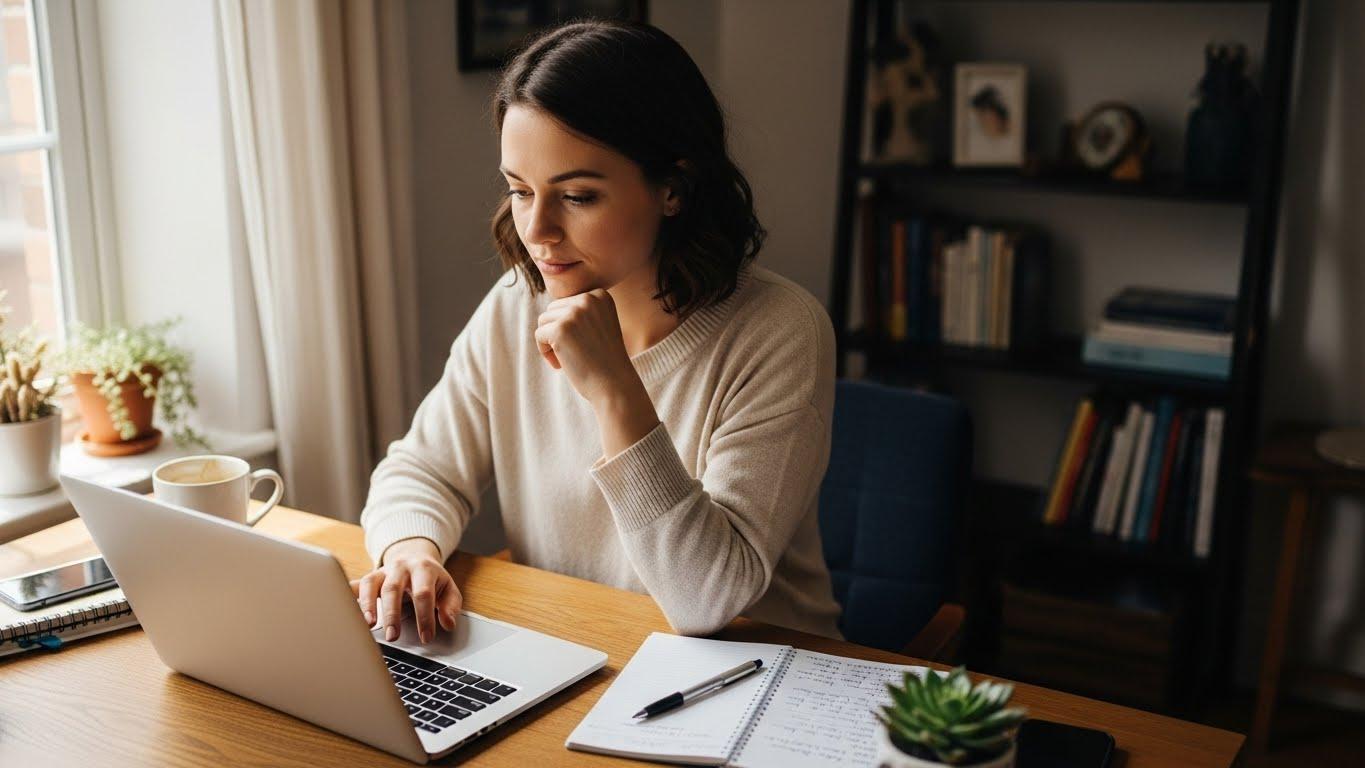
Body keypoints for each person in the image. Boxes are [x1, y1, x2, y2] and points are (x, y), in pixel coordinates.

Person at [353, 19, 843, 645]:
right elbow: (421, 468)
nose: (537, 230)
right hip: (578, 649)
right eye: (519, 190)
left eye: (578, 195)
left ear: (673, 187)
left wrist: (615, 389)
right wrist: (410, 550)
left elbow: (707, 598)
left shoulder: (780, 332)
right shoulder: (517, 303)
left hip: (754, 676)